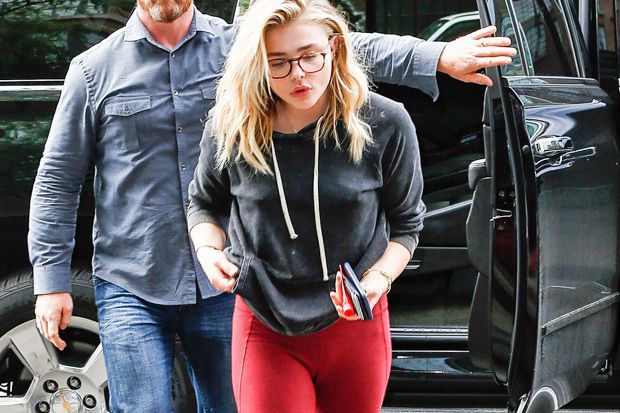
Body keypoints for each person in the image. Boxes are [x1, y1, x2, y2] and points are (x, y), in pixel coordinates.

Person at [28, 0, 516, 411]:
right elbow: (57, 180)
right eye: (281, 64)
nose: (294, 71)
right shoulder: (93, 70)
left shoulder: (241, 44)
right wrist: (50, 280)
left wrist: (439, 56)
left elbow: (340, 45)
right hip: (135, 279)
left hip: (230, 283)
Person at [185, 0, 475, 411]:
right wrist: (208, 251)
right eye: (278, 63)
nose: (298, 74)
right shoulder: (231, 126)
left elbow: (407, 224)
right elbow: (203, 203)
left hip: (356, 320)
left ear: (334, 47)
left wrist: (379, 279)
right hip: (266, 322)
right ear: (256, 64)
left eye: (310, 56)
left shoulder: (385, 122)